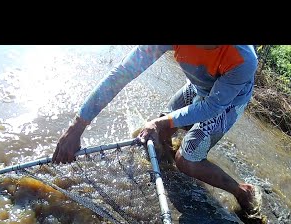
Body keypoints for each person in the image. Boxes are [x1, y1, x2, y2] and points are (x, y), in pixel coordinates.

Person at [52, 45, 260, 215]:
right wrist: (77, 126)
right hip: (199, 85)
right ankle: (171, 163)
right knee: (160, 136)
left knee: (185, 161)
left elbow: (211, 107)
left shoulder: (243, 59)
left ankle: (240, 190)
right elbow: (123, 72)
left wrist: (162, 122)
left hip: (226, 103)